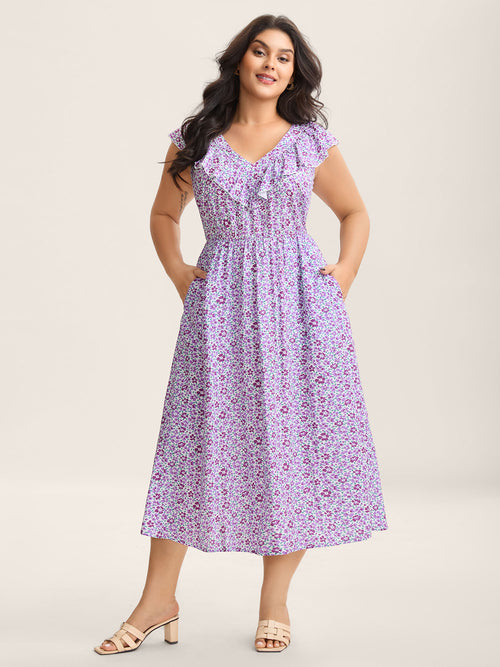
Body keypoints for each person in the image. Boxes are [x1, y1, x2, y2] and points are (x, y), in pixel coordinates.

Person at [94, 13, 388, 656]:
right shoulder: (197, 137)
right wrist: (179, 271)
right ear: (239, 59)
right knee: (191, 446)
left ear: (294, 74)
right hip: (220, 307)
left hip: (299, 312)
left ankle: (274, 602)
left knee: (292, 448)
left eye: (284, 57)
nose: (270, 64)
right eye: (260, 51)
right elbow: (164, 213)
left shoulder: (309, 142)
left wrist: (342, 272)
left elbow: (354, 211)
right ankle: (158, 600)